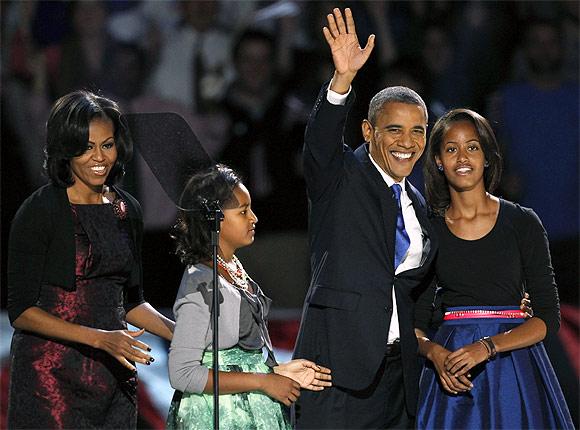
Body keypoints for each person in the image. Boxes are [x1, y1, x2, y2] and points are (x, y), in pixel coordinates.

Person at [292, 8, 438, 428]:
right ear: (368, 132)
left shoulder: (420, 206)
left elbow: (418, 289)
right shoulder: (340, 178)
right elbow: (319, 143)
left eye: (418, 131)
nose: (407, 143)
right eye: (394, 130)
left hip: (398, 378)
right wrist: (341, 82)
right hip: (336, 373)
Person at [6, 91, 175, 429]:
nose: (99, 157)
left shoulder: (126, 210)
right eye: (85, 147)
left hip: (113, 376)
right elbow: (22, 311)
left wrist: (182, 334)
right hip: (50, 378)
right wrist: (101, 337)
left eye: (107, 145)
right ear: (64, 149)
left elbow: (131, 302)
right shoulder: (40, 211)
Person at [414, 108, 574, 429]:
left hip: (514, 368)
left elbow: (547, 317)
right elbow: (413, 322)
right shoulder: (427, 230)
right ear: (438, 161)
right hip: (453, 370)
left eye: (472, 147)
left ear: (487, 156)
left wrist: (487, 346)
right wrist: (436, 354)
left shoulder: (522, 223)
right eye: (451, 148)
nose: (463, 157)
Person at [166, 164, 332, 430]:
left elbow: (236, 360)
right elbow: (182, 374)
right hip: (219, 416)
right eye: (243, 211)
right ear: (214, 220)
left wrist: (277, 371)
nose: (254, 218)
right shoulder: (200, 284)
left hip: (249, 410)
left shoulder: (231, 267)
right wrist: (263, 381)